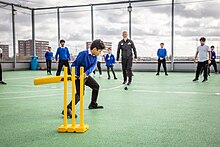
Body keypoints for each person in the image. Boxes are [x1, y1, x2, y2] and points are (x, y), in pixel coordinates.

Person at [62, 39, 105, 118]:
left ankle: (93, 104)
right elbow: (74, 64)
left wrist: (86, 74)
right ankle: (68, 109)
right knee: (80, 94)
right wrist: (75, 74)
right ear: (94, 49)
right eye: (100, 51)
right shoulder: (83, 54)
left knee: (96, 87)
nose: (100, 53)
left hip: (85, 75)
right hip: (78, 76)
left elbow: (93, 67)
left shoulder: (95, 57)